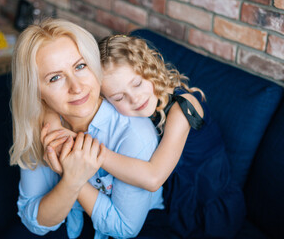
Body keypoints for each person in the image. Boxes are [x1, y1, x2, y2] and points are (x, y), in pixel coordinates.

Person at [45, 35, 246, 238]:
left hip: (210, 205)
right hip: (174, 200)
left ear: (149, 70)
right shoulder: (130, 116)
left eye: (137, 83)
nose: (135, 99)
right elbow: (48, 100)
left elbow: (153, 178)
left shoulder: (182, 107)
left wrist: (88, 151)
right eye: (119, 97)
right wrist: (53, 122)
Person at [9, 18, 164, 239]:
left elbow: (125, 229)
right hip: (76, 223)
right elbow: (33, 220)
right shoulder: (42, 124)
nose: (77, 87)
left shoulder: (133, 133)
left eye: (80, 66)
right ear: (36, 92)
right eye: (55, 78)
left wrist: (73, 177)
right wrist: (71, 181)